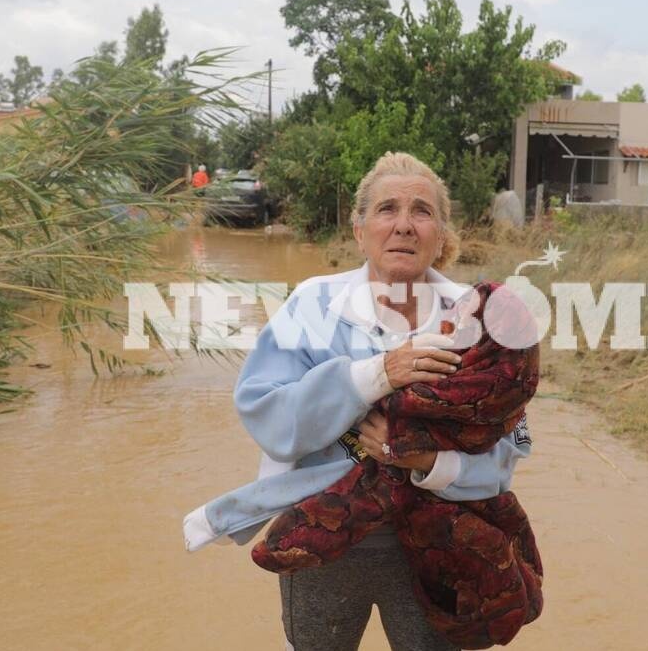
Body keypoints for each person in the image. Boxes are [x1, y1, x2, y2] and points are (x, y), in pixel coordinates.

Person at [186, 152, 531, 650]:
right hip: (324, 537)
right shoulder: (312, 303)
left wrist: (427, 460)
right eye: (387, 209)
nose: (404, 226)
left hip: (437, 541)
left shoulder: (476, 319)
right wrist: (376, 375)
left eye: (422, 211)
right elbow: (269, 420)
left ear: (441, 232)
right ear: (359, 227)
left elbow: (506, 452)